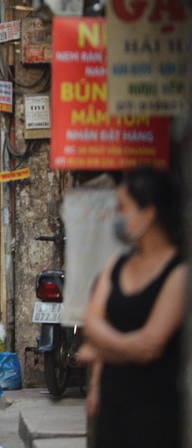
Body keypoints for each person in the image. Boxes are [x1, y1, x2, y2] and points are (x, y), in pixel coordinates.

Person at [77, 167, 187, 448]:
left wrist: (103, 348)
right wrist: (99, 384)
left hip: (155, 412)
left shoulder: (179, 273)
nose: (117, 217)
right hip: (112, 409)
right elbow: (92, 322)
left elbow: (150, 344)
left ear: (148, 214)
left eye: (123, 208)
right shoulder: (117, 265)